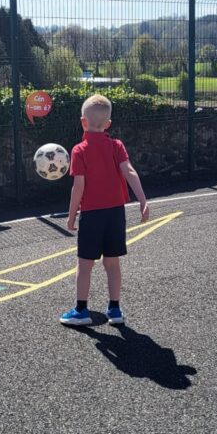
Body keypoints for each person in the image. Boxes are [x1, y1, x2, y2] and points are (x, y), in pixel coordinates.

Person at [60, 94, 149, 327]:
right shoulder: (116, 145)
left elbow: (78, 187)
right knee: (112, 262)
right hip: (116, 213)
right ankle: (115, 309)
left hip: (92, 214)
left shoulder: (79, 150)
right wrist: (142, 200)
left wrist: (71, 216)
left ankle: (81, 310)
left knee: (84, 264)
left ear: (83, 122)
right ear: (108, 124)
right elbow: (129, 171)